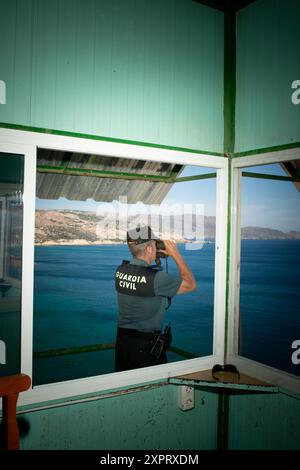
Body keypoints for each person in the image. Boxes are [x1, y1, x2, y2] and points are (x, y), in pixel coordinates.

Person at [114, 225, 196, 372]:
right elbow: (190, 285)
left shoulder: (120, 271)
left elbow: (139, 278)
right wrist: (176, 254)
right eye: (154, 244)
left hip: (123, 344)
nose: (157, 247)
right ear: (149, 249)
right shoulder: (155, 279)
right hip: (145, 348)